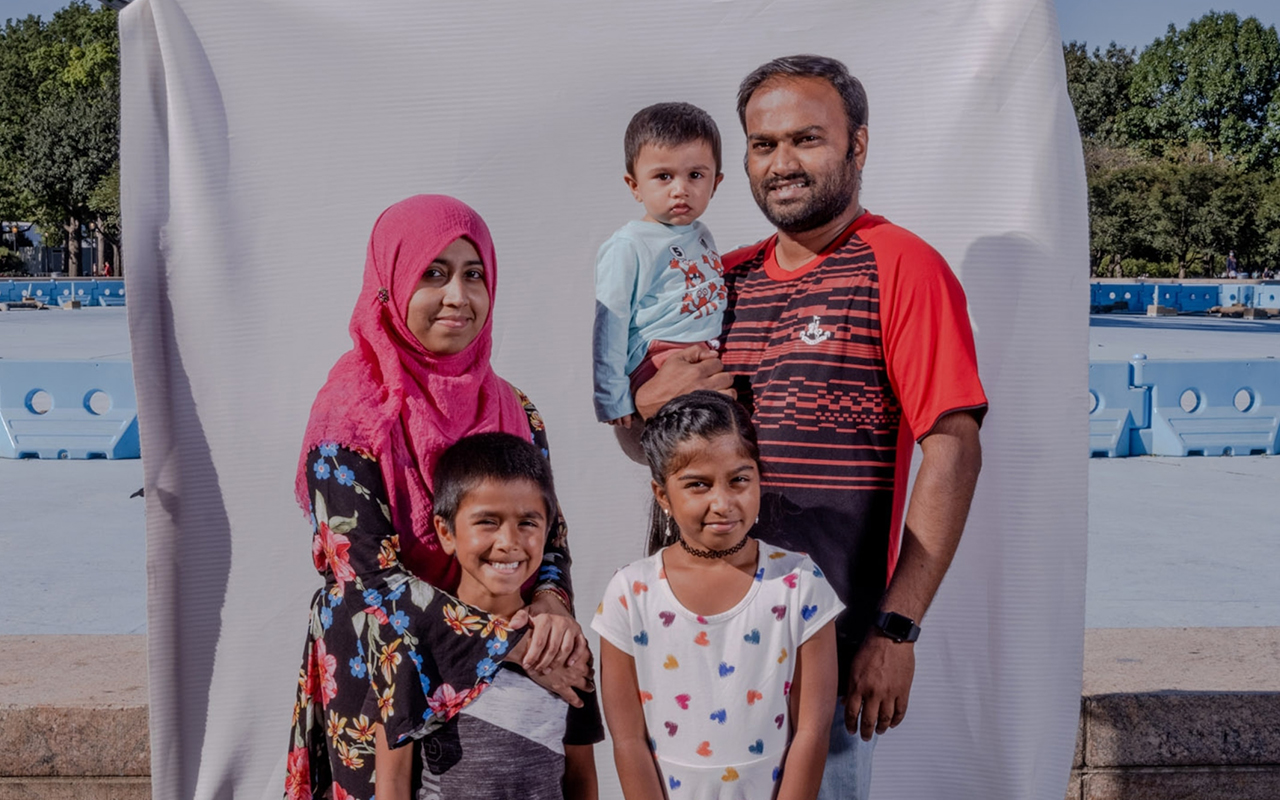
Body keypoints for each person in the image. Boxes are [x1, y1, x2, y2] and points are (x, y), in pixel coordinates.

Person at [630, 56, 987, 799]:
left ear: (858, 144)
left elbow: (952, 449)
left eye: (807, 139)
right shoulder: (717, 281)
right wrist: (638, 410)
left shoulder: (901, 267)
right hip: (686, 641)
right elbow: (650, 448)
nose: (782, 163)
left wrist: (897, 629)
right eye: (763, 145)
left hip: (818, 651)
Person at [285, 195, 598, 800]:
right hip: (380, 664)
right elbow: (367, 579)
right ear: (390, 282)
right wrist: (509, 642)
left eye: (472, 274)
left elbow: (547, 531)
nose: (458, 295)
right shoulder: (350, 415)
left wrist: (553, 603)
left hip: (510, 662)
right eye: (433, 273)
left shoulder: (515, 410)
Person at [594, 391, 841, 799]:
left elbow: (811, 733)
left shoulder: (799, 584)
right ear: (663, 495)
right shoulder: (630, 594)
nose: (722, 503)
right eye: (698, 485)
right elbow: (628, 741)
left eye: (739, 480)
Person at [376, 432, 601, 800]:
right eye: (487, 522)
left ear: (548, 532)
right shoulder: (413, 647)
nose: (509, 541)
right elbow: (392, 780)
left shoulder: (564, 649)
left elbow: (580, 775)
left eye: (528, 523)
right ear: (446, 532)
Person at [593, 102, 726, 428]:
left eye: (695, 175)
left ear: (716, 183)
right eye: (663, 176)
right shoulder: (629, 245)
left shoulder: (700, 232)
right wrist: (612, 395)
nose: (680, 189)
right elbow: (610, 326)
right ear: (635, 186)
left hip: (706, 353)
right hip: (659, 358)